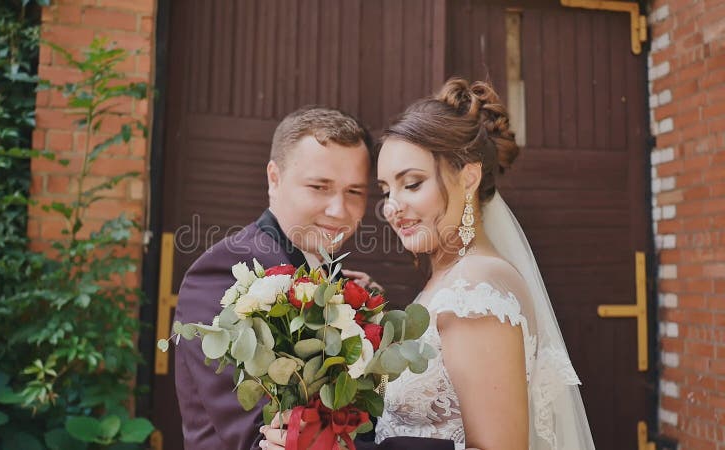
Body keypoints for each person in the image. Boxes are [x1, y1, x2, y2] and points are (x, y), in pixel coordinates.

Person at [261, 79, 595, 450]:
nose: (392, 207)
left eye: (413, 184)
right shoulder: (450, 281)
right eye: (387, 190)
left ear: (468, 178)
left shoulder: (475, 291)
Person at [174, 106, 455, 450]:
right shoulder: (224, 272)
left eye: (354, 192)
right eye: (320, 187)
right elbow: (267, 437)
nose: (339, 210)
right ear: (274, 178)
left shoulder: (332, 274)